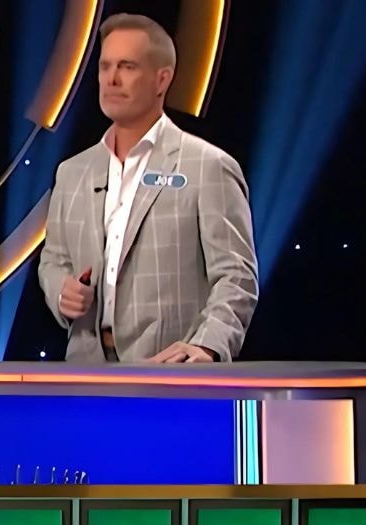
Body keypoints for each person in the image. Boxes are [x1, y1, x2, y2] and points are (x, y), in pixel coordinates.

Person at [37, 13, 258, 364]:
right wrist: (61, 290)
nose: (111, 79)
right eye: (105, 66)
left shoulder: (207, 166)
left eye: (127, 66)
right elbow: (53, 260)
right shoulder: (72, 172)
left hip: (170, 376)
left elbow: (236, 276)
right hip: (86, 374)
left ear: (162, 79)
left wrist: (207, 347)